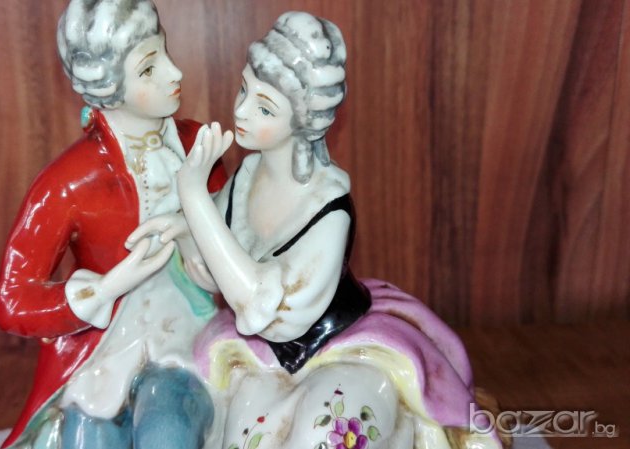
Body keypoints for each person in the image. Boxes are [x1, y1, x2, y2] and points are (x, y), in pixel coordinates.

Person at [177, 12, 502, 449]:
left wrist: (194, 198)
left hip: (339, 342)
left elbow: (267, 310)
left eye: (264, 107)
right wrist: (180, 226)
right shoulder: (247, 176)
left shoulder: (330, 210)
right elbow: (207, 265)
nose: (240, 111)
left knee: (326, 433)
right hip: (263, 355)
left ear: (303, 120)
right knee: (246, 438)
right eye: (244, 89)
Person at [0, 0, 225, 448]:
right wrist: (106, 288)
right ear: (109, 85)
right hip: (102, 353)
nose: (175, 72)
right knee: (89, 435)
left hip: (187, 341)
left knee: (168, 431)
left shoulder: (199, 146)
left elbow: (237, 251)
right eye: (149, 68)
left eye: (165, 51)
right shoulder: (69, 182)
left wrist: (190, 229)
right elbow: (13, 300)